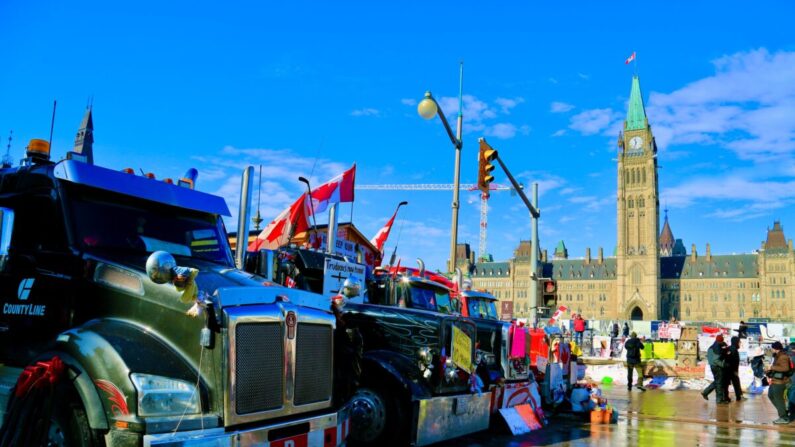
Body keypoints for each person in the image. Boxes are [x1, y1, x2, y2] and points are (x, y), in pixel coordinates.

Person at [766, 341, 792, 424]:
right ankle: (783, 411)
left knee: (779, 399)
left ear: (776, 348)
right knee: (770, 395)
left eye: (772, 348)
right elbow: (768, 358)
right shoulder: (777, 355)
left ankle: (784, 417)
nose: (771, 349)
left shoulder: (783, 356)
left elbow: (785, 368)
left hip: (780, 382)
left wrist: (771, 367)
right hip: (775, 381)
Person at [701, 335, 730, 404]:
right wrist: (723, 364)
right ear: (721, 340)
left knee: (717, 381)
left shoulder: (712, 347)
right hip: (717, 367)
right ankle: (719, 400)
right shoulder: (717, 347)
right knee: (719, 383)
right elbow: (716, 360)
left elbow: (711, 358)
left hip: (713, 366)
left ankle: (705, 392)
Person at [724, 336, 743, 401]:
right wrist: (735, 370)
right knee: (736, 383)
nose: (740, 343)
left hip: (727, 369)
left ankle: (726, 397)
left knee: (726, 384)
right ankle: (738, 396)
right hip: (732, 370)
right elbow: (733, 361)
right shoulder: (733, 349)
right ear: (736, 342)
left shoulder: (729, 348)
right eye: (739, 342)